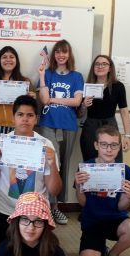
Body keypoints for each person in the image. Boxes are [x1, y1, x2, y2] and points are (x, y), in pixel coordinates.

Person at [0, 95, 62, 256]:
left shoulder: (45, 145)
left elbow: (54, 190)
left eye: (30, 115)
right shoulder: (2, 141)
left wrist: (53, 164)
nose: (25, 119)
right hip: (4, 210)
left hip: (34, 214)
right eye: (20, 114)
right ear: (13, 117)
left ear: (36, 119)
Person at [74, 125, 130, 256]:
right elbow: (82, 203)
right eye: (104, 144)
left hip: (115, 220)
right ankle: (99, 249)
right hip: (92, 223)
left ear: (119, 147)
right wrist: (78, 186)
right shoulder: (85, 168)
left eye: (114, 145)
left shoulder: (125, 170)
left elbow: (122, 207)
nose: (109, 149)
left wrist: (128, 196)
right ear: (96, 145)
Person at [37, 39, 84, 225]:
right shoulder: (47, 74)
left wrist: (54, 99)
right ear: (54, 55)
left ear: (69, 54)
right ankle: (50, 207)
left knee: (63, 166)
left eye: (64, 52)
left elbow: (77, 102)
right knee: (51, 165)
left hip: (69, 126)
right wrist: (41, 76)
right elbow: (44, 99)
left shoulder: (77, 76)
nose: (61, 55)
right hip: (48, 124)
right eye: (58, 52)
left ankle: (57, 206)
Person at [0, 46, 36, 151]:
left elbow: (32, 111)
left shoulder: (25, 82)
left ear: (16, 61)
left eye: (11, 57)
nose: (8, 60)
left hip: (20, 127)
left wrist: (33, 100)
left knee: (17, 160)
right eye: (4, 57)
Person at [79, 55, 130, 162]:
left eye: (104, 64)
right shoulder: (87, 86)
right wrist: (84, 105)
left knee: (113, 160)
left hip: (110, 126)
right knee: (91, 160)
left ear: (110, 68)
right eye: (97, 64)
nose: (100, 66)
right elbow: (80, 114)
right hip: (91, 127)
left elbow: (124, 111)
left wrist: (127, 135)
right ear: (93, 68)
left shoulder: (118, 86)